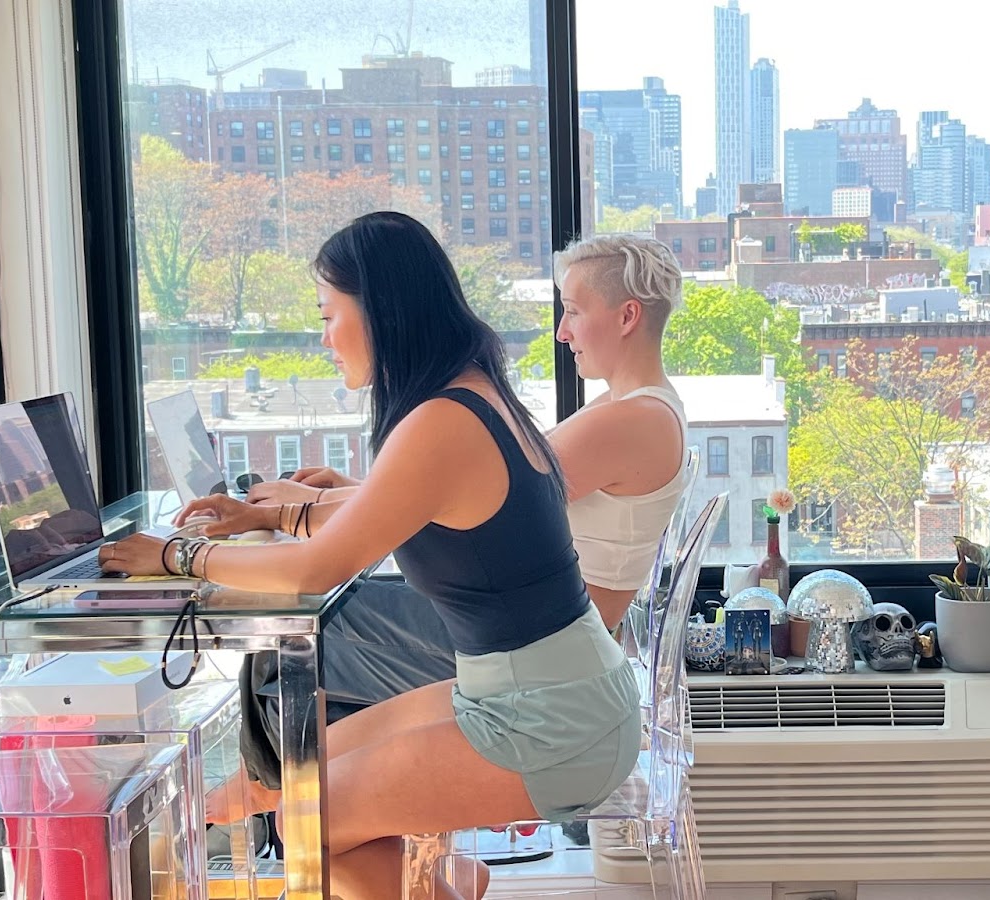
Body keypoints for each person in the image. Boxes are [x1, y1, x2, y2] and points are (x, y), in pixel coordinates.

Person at [99, 212, 642, 898]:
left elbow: (311, 569)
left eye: (329, 314)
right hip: (543, 692)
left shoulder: (442, 420)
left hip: (552, 720)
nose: (324, 337)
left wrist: (179, 556)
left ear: (380, 310)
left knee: (308, 824)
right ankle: (446, 882)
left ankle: (442, 884)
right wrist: (263, 516)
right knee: (296, 786)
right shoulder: (468, 393)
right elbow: (371, 515)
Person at [246, 233, 691, 631]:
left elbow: (483, 497)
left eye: (573, 312)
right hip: (529, 620)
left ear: (628, 316)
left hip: (532, 635)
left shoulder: (630, 422)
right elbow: (458, 490)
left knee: (301, 638)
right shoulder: (630, 409)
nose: (561, 332)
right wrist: (353, 492)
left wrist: (285, 513)